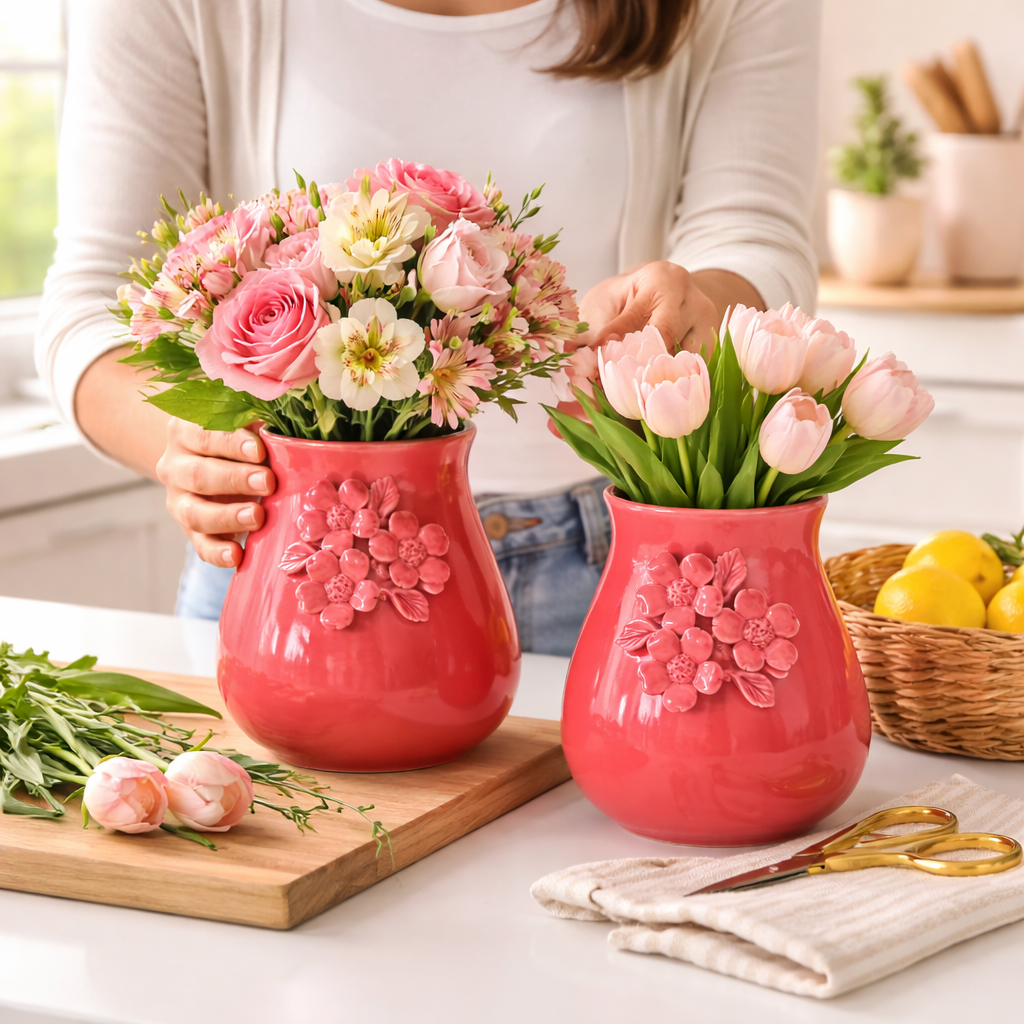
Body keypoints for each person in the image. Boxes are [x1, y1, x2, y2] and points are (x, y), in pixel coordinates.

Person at [36, 0, 819, 655]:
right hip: (296, 556)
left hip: (612, 565)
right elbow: (88, 306)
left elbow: (758, 233)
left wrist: (697, 301)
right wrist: (192, 451)